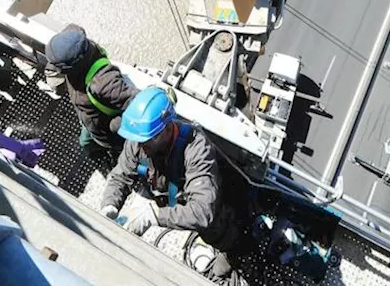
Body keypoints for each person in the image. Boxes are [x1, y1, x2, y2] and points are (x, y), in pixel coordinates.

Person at [100, 87, 244, 283]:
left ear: (166, 129)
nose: (139, 146)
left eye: (145, 142)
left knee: (220, 230)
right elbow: (120, 176)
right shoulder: (139, 139)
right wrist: (109, 204)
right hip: (166, 191)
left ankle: (232, 252)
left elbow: (203, 212)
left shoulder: (196, 148)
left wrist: (155, 215)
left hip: (212, 205)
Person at [45, 24, 138, 158]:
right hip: (88, 120)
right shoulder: (77, 38)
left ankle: (114, 153)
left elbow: (137, 100)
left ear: (69, 68)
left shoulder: (104, 84)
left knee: (101, 144)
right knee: (85, 143)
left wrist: (116, 127)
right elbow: (73, 28)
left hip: (105, 130)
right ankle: (94, 150)